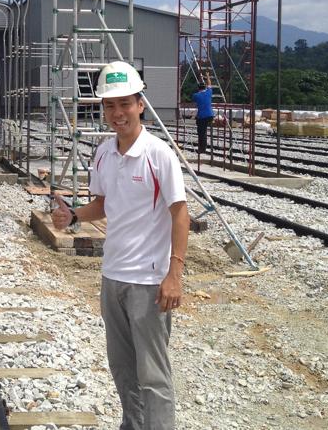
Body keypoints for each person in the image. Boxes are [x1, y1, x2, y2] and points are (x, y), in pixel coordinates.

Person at [52, 61, 189, 430]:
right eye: (109, 105)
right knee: (123, 369)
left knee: (154, 376)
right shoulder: (103, 153)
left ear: (140, 104)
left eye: (125, 103)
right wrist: (75, 216)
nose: (117, 113)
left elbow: (180, 214)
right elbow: (103, 203)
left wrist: (174, 275)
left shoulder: (158, 154)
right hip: (112, 277)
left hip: (149, 281)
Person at [191, 74, 215, 153]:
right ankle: (203, 148)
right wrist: (208, 76)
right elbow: (209, 84)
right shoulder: (209, 92)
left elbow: (194, 100)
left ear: (198, 88)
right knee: (203, 131)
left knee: (201, 133)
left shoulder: (196, 95)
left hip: (202, 116)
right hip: (211, 115)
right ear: (205, 88)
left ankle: (202, 149)